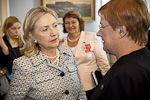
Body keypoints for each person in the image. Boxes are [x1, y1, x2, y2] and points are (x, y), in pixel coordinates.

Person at [5, 6, 87, 100]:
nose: (54, 33)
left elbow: (80, 91)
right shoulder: (24, 65)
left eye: (55, 25)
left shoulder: (68, 52)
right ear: (32, 35)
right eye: (45, 29)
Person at [91, 0, 150, 100]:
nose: (98, 33)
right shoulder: (143, 58)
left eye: (102, 27)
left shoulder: (126, 75)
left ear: (121, 30)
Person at [59, 11, 110, 99]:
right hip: (69, 87)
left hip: (91, 86)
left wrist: (107, 80)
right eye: (67, 23)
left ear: (79, 23)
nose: (70, 25)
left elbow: (102, 61)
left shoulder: (91, 37)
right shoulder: (60, 43)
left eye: (73, 22)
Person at [0, 16, 23, 99]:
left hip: (22, 82)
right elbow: (9, 67)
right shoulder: (2, 43)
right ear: (6, 29)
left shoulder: (22, 42)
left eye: (19, 28)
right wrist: (5, 49)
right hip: (7, 84)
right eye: (13, 28)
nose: (17, 31)